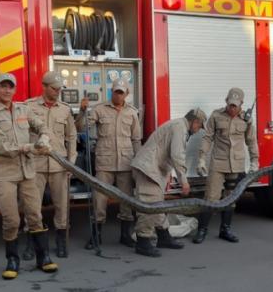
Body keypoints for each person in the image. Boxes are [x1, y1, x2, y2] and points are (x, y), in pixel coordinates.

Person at [0, 73, 58, 279]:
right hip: (5, 174)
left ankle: (43, 258)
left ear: (15, 89)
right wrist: (29, 147)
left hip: (27, 171)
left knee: (35, 215)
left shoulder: (23, 108)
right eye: (3, 86)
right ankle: (12, 259)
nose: (7, 90)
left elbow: (41, 125)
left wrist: (45, 137)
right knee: (11, 219)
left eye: (10, 87)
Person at [130, 108, 208, 257]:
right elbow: (177, 156)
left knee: (157, 206)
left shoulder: (179, 126)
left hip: (153, 170)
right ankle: (143, 242)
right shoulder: (179, 128)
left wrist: (165, 178)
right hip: (148, 170)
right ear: (195, 122)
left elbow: (166, 154)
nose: (198, 131)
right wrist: (184, 181)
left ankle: (164, 236)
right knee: (149, 206)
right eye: (200, 127)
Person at [76, 77, 142, 249]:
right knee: (99, 201)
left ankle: (125, 235)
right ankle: (96, 236)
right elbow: (80, 128)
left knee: (126, 201)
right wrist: (82, 111)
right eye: (116, 92)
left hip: (126, 163)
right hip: (104, 163)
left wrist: (140, 161)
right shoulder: (99, 109)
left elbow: (136, 139)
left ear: (126, 93)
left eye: (122, 92)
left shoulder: (132, 112)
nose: (118, 95)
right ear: (111, 91)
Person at [22, 71, 77, 259]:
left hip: (59, 164)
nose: (58, 92)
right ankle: (32, 244)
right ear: (44, 87)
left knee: (62, 206)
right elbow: (21, 133)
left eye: (60, 88)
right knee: (32, 206)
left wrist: (71, 162)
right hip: (35, 164)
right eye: (54, 88)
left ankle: (61, 243)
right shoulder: (28, 107)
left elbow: (72, 136)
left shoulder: (65, 109)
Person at [193, 88, 259, 244]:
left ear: (242, 104)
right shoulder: (216, 116)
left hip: (236, 165)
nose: (232, 108)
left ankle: (225, 230)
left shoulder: (246, 119)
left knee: (230, 198)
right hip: (218, 163)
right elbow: (207, 137)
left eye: (236, 105)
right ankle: (202, 230)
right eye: (230, 104)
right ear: (226, 101)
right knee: (210, 197)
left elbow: (251, 141)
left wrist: (255, 161)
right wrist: (201, 159)